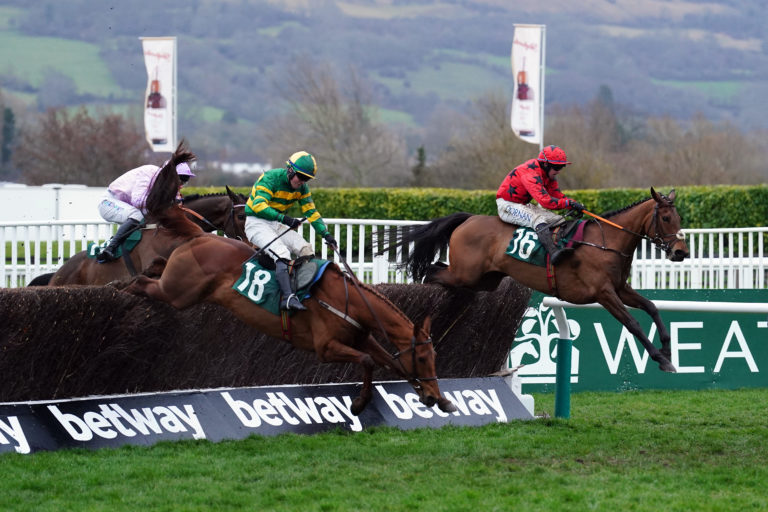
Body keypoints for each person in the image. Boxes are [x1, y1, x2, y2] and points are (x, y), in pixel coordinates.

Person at [244, 151, 337, 311]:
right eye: (300, 176)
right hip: (256, 223)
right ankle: (287, 298)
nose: (302, 181)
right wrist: (284, 219)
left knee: (306, 249)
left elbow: (311, 212)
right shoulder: (271, 177)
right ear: (290, 170)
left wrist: (326, 234)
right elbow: (258, 206)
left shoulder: (302, 189)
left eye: (306, 179)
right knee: (282, 253)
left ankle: (305, 292)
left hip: (276, 223)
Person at [496, 145, 585, 265]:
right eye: (557, 167)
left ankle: (562, 245)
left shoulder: (548, 175)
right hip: (506, 205)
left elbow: (557, 195)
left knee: (559, 219)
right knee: (538, 219)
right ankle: (553, 253)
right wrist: (568, 203)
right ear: (546, 164)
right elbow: (545, 201)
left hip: (522, 205)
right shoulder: (530, 173)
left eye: (562, 167)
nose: (559, 171)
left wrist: (573, 204)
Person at [96, 161, 195, 263]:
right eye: (180, 181)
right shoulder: (148, 173)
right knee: (136, 215)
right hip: (108, 203)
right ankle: (110, 248)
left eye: (184, 182)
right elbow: (137, 200)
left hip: (127, 206)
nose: (180, 185)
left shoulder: (166, 184)